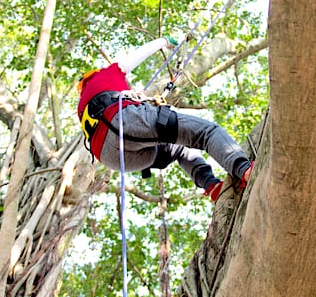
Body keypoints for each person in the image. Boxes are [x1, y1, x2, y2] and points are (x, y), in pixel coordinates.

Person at [77, 37, 252, 200]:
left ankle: (211, 186)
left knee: (179, 147)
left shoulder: (84, 107)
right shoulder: (105, 74)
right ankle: (245, 170)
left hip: (112, 157)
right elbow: (135, 58)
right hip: (122, 123)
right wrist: (163, 41)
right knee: (206, 132)